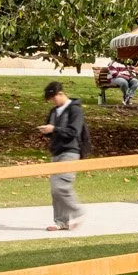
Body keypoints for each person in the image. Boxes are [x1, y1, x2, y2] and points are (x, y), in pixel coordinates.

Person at [40, 79, 90, 230]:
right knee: (55, 190)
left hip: (70, 151)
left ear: (61, 94)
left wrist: (54, 129)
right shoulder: (54, 111)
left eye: (54, 98)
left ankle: (79, 212)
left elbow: (74, 131)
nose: (53, 102)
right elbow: (53, 130)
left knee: (61, 185)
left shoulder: (75, 110)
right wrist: (47, 131)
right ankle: (62, 222)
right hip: (56, 152)